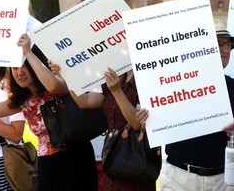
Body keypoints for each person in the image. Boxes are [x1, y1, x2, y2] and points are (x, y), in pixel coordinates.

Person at [0, 34, 99, 191]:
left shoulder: (54, 83)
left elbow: (54, 86)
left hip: (77, 155)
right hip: (48, 162)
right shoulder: (22, 99)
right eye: (14, 68)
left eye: (24, 66)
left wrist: (27, 52)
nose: (19, 72)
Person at [50, 59, 160, 191]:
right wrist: (68, 77)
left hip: (136, 162)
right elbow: (85, 101)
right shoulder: (118, 74)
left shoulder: (147, 76)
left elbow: (136, 124)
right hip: (113, 162)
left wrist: (117, 91)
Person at [155, 22, 234, 191]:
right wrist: (148, 117)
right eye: (220, 44)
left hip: (223, 180)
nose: (226, 50)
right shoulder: (175, 83)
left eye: (229, 45)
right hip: (180, 178)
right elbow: (159, 118)